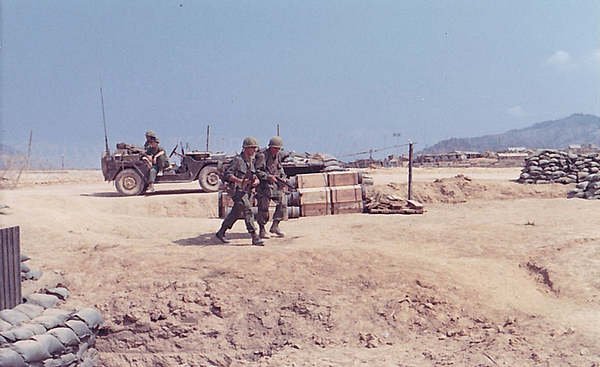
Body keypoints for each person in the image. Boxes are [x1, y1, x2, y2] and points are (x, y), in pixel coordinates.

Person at [215, 137, 264, 246]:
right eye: (252, 148)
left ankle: (221, 232)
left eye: (255, 148)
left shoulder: (251, 160)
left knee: (236, 212)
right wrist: (241, 181)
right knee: (247, 210)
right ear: (245, 148)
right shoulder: (237, 160)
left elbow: (254, 174)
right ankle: (254, 236)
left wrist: (256, 181)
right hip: (237, 190)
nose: (253, 151)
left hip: (246, 191)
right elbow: (228, 175)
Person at [255, 136, 288, 238]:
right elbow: (258, 171)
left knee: (283, 203)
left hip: (274, 186)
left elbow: (279, 168)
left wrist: (283, 177)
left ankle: (275, 226)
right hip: (264, 187)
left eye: (278, 148)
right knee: (263, 209)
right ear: (270, 147)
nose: (277, 150)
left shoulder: (277, 156)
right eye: (275, 148)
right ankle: (262, 230)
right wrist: (269, 177)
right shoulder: (262, 156)